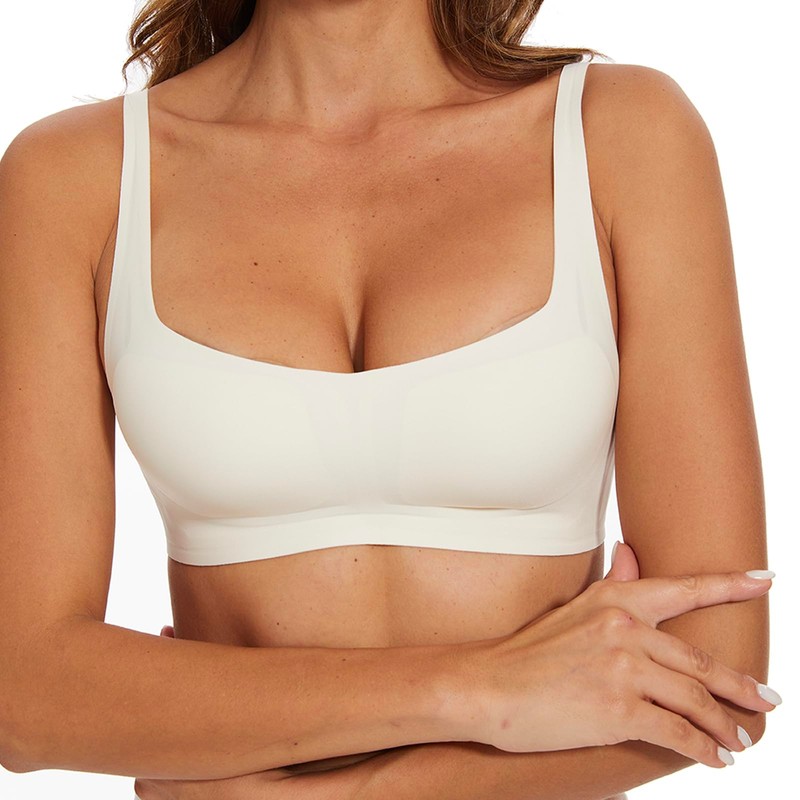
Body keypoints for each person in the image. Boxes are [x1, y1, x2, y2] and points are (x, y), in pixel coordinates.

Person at [0, 1, 777, 799]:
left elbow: (719, 676)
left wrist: (346, 795)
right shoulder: (75, 176)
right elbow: (23, 692)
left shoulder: (620, 134)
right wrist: (478, 689)